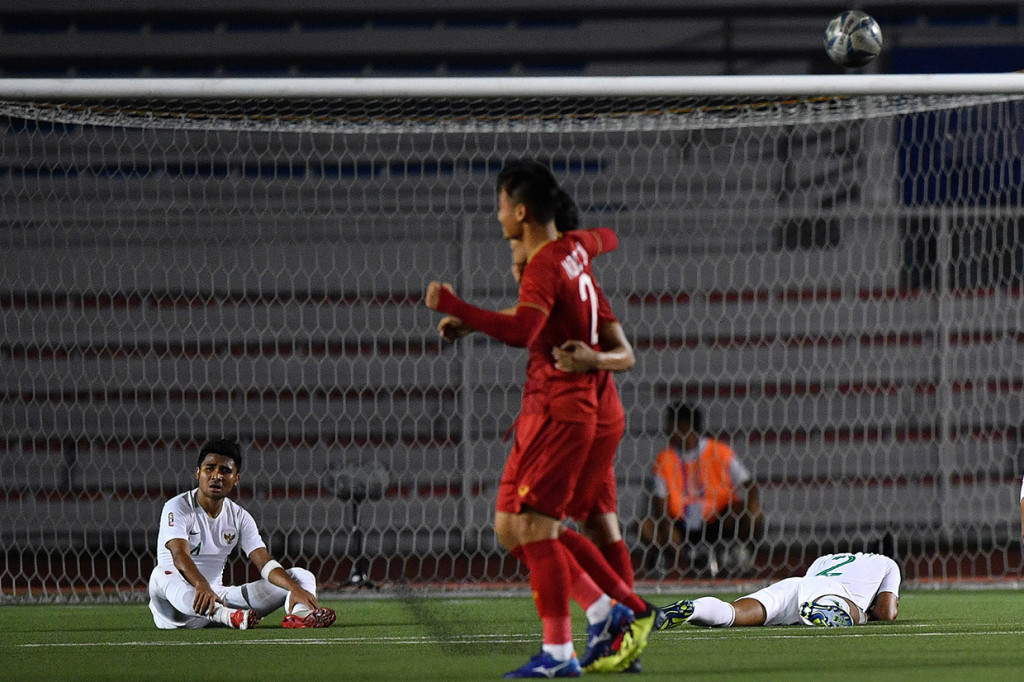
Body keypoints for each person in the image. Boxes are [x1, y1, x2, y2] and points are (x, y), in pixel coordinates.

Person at [425, 160, 658, 677]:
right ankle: (611, 620)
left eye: (502, 207)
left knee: (536, 527)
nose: (498, 218)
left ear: (522, 212)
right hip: (579, 408)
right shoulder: (574, 253)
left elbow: (524, 331)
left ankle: (613, 620)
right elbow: (606, 237)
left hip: (563, 408)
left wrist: (456, 305)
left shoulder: (548, 264)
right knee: (541, 526)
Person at [148, 439, 336, 630]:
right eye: (209, 468)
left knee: (300, 576)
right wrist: (201, 585)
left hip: (218, 598)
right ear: (198, 473)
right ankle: (226, 616)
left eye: (225, 471)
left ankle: (301, 615)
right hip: (178, 608)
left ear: (236, 479)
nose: (216, 476)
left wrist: (294, 588)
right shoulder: (177, 506)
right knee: (160, 573)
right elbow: (179, 555)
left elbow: (265, 564)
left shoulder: (239, 517)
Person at [640, 401, 763, 577]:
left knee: (753, 512)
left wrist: (752, 506)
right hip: (682, 524)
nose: (667, 430)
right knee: (647, 526)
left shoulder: (719, 451)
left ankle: (739, 553)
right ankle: (685, 558)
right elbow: (660, 503)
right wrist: (667, 528)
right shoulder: (665, 458)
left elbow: (749, 484)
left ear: (683, 427)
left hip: (717, 520)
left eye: (670, 424)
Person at [657, 551, 900, 629]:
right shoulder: (886, 563)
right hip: (831, 592)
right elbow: (887, 612)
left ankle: (693, 609)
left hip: (794, 585)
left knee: (734, 613)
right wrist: (869, 611)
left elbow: (808, 583)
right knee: (858, 613)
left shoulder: (825, 559)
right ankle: (829, 610)